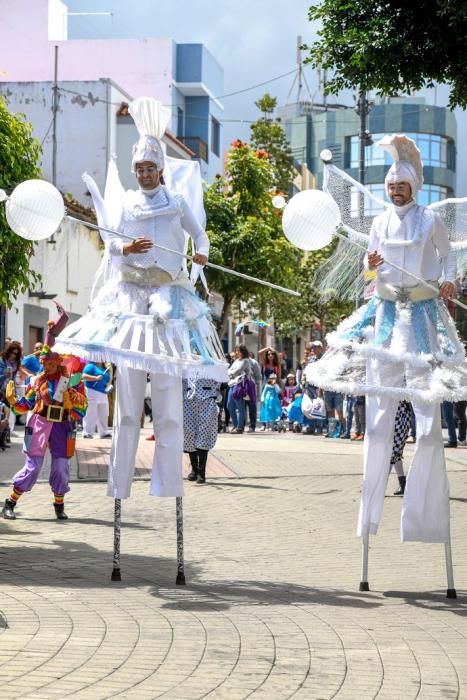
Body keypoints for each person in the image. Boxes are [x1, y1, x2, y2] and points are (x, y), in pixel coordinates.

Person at [54, 97, 227, 500]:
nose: (146, 174)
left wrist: (201, 252)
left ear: (161, 170)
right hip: (132, 298)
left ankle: (167, 482)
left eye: (151, 168)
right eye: (140, 169)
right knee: (129, 395)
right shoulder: (128, 204)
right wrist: (127, 250)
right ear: (135, 172)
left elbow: (199, 235)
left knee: (167, 395)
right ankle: (120, 481)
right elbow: (111, 244)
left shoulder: (176, 203)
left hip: (168, 297)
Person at [306, 134, 467, 544]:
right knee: (378, 421)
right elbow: (370, 272)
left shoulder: (430, 219)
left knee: (428, 422)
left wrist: (448, 281)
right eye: (392, 187)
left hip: (424, 319)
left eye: (402, 186)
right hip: (386, 317)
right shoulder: (378, 222)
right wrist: (371, 264)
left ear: (414, 187)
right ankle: (368, 519)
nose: (396, 192)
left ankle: (424, 522)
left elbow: (447, 256)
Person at [1, 346, 87, 520]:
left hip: (62, 425)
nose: (46, 367)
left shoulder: (72, 381)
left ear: (57, 363)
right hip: (38, 423)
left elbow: (82, 408)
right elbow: (27, 403)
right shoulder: (38, 381)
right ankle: (9, 503)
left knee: (61, 468)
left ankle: (59, 505)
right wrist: (13, 401)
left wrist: (72, 404)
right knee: (33, 468)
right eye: (44, 363)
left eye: (50, 363)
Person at [183, 378, 220, 484]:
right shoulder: (186, 362)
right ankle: (194, 469)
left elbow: (220, 379)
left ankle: (201, 472)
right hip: (188, 401)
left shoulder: (212, 363)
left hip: (207, 400)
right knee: (189, 433)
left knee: (204, 433)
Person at [81, 361, 112, 439]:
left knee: (104, 413)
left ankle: (104, 432)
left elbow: (107, 380)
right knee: (90, 412)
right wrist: (95, 378)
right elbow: (83, 376)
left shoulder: (105, 367)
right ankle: (87, 432)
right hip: (91, 391)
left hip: (103, 393)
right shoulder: (90, 366)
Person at [226, 345, 252, 434]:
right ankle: (235, 425)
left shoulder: (246, 361)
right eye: (236, 351)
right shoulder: (236, 360)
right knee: (229, 406)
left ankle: (240, 427)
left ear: (243, 352)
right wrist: (230, 373)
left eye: (239, 351)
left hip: (240, 385)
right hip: (232, 384)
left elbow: (237, 371)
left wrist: (230, 373)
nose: (237, 353)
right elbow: (229, 370)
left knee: (240, 407)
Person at [0, 341, 23, 438]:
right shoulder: (1, 360)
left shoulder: (16, 363)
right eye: (12, 352)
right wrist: (3, 376)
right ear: (8, 351)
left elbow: (13, 377)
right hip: (0, 389)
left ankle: (5, 434)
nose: (13, 355)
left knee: (8, 411)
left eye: (16, 354)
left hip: (9, 390)